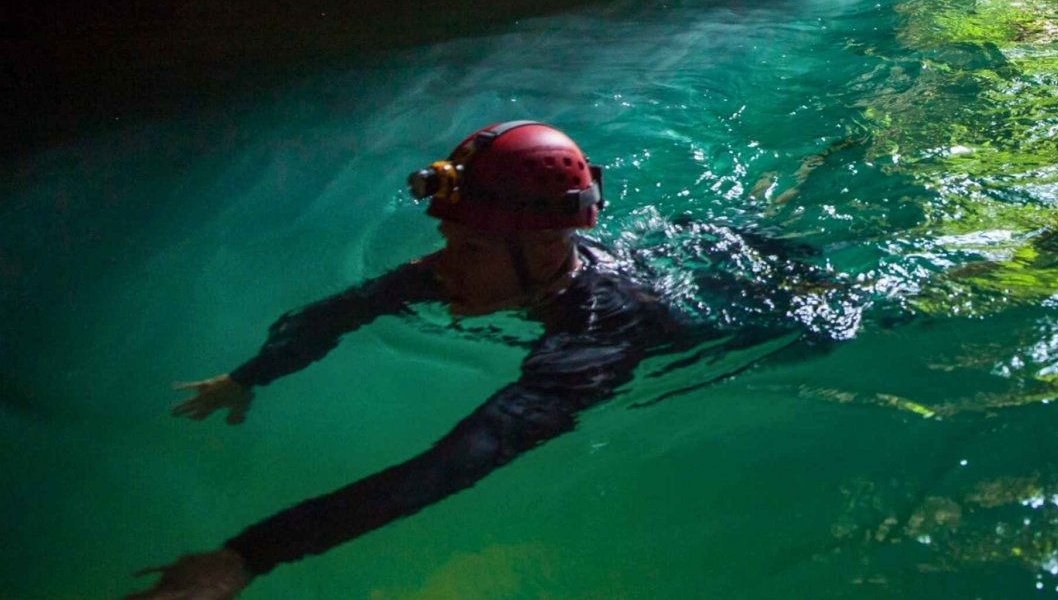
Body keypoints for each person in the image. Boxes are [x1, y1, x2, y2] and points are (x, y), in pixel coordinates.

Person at [125, 121, 845, 599]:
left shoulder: (595, 341)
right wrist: (250, 375)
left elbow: (450, 465)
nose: (441, 265)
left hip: (760, 313)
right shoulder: (494, 261)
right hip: (685, 248)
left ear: (539, 249)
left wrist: (249, 554)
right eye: (450, 239)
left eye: (466, 248)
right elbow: (350, 306)